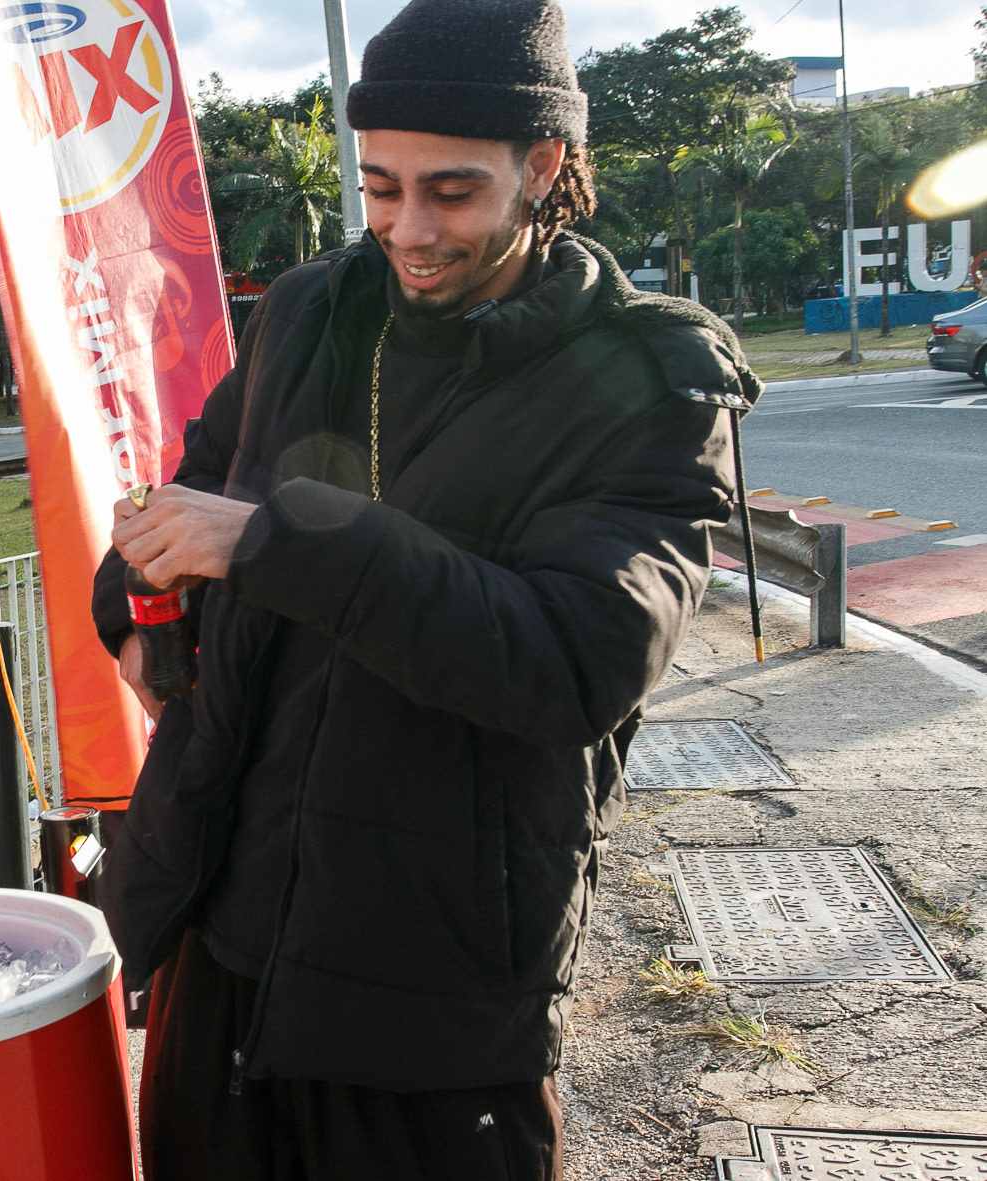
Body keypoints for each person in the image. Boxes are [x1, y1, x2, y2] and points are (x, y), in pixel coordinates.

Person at [90, 1, 760, 1177]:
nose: (406, 227)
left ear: (541, 165)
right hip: (221, 942)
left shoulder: (650, 376)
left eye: (449, 191)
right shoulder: (308, 311)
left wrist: (278, 542)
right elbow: (186, 503)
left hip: (431, 1002)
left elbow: (570, 660)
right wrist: (136, 612)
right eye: (378, 186)